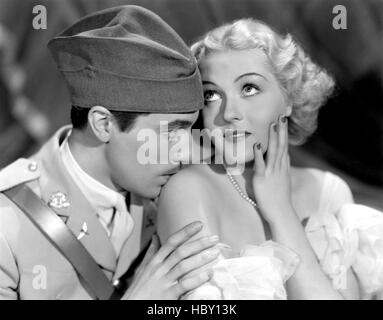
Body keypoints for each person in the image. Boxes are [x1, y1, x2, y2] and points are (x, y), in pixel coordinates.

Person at [0, 5, 221, 300]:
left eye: (190, 129)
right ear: (104, 124)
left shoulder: (170, 202)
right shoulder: (8, 221)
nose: (185, 152)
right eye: (170, 131)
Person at [157, 18, 383, 300]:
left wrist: (281, 213)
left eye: (249, 88)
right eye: (212, 95)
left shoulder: (329, 193)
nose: (229, 113)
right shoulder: (189, 191)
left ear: (288, 98)